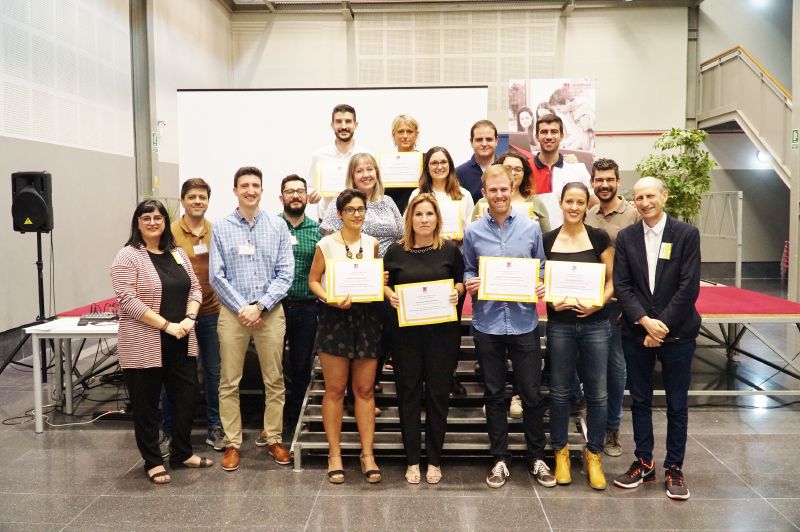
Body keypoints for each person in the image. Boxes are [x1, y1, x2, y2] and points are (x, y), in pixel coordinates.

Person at [462, 165, 555, 490]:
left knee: (530, 394)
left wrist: (542, 283)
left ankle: (536, 457)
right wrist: (469, 282)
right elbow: (469, 268)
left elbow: (540, 267)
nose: (499, 195)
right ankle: (500, 458)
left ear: (512, 188)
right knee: (495, 394)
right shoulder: (473, 232)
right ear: (484, 192)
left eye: (504, 189)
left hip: (523, 323)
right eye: (493, 190)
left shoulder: (530, 229)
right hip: (487, 323)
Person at [111, 199, 213, 485]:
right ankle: (153, 461)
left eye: (158, 217)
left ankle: (182, 452)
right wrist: (167, 325)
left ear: (166, 222)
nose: (153, 222)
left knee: (187, 399)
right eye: (147, 218)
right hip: (145, 341)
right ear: (138, 222)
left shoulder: (177, 252)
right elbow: (127, 300)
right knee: (146, 405)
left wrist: (190, 319)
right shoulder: (127, 256)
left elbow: (194, 287)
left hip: (181, 339)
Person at [612, 176, 701, 501]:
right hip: (637, 331)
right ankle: (644, 461)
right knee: (640, 400)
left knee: (677, 404)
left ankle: (674, 467)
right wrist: (645, 322)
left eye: (650, 195)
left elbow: (688, 286)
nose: (645, 202)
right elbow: (622, 286)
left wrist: (660, 326)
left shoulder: (685, 234)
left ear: (664, 195)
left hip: (677, 332)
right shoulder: (626, 237)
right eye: (638, 197)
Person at [210, 166, 294, 472]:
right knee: (229, 381)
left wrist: (260, 306)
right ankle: (232, 443)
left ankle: (273, 438)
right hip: (232, 315)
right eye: (244, 185)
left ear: (262, 190)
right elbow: (216, 276)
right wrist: (243, 307)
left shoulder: (277, 226)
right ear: (234, 191)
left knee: (274, 380)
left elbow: (286, 273)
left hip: (270, 313)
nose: (250, 190)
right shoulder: (220, 227)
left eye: (255, 185)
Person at [384, 193, 465, 485]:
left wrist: (458, 292)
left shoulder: (450, 250)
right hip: (406, 336)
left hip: (441, 335)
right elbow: (384, 284)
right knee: (408, 395)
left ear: (437, 218)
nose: (424, 219)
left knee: (438, 395)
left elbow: (459, 279)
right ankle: (412, 461)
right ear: (410, 219)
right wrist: (390, 295)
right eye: (419, 214)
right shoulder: (395, 251)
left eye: (429, 214)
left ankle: (434, 459)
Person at [538, 182, 614, 491]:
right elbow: (540, 279)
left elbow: (613, 280)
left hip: (596, 324)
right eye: (569, 201)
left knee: (597, 392)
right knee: (559, 392)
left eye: (579, 202)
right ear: (560, 203)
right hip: (560, 325)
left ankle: (594, 453)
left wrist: (599, 302)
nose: (573, 207)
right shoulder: (547, 240)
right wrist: (548, 300)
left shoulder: (599, 237)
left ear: (587, 205)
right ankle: (561, 453)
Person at [309, 188, 384, 484]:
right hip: (335, 318)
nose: (357, 214)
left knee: (365, 390)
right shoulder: (326, 244)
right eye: (351, 210)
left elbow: (374, 278)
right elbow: (313, 280)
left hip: (366, 319)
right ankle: (335, 454)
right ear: (339, 214)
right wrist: (329, 298)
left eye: (361, 209)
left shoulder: (373, 243)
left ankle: (367, 455)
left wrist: (381, 280)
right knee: (335, 390)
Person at [321, 153, 404, 412]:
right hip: (351, 280)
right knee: (351, 341)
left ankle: (369, 388)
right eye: (360, 171)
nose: (366, 174)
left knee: (381, 336)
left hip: (385, 276)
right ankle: (349, 395)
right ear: (352, 175)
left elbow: (402, 235)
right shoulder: (343, 202)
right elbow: (329, 238)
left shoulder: (388, 202)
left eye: (371, 169)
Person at [585, 158, 641, 457]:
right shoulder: (588, 214)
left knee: (616, 369)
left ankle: (612, 429)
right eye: (599, 180)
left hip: (620, 304)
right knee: (592, 368)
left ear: (618, 180)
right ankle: (592, 420)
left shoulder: (632, 215)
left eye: (609, 179)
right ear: (593, 182)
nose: (604, 185)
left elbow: (638, 263)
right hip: (590, 300)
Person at [166, 178, 224, 451]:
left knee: (214, 372)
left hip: (211, 311)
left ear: (207, 201)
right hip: (179, 315)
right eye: (192, 197)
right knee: (175, 373)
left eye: (202, 197)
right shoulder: (170, 232)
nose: (197, 201)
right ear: (183, 200)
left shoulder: (216, 231)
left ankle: (215, 426)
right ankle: (170, 429)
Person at [278, 174, 322, 442]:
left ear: (307, 197)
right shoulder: (271, 227)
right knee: (272, 369)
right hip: (276, 307)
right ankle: (271, 423)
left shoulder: (317, 230)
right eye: (290, 191)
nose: (295, 195)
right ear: (281, 197)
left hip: (307, 307)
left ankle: (294, 423)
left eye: (300, 191)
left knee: (300, 367)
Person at [530, 113, 594, 229]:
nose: (549, 136)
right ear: (536, 137)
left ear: (562, 136)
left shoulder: (577, 169)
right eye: (544, 132)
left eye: (554, 132)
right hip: (535, 241)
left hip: (570, 241)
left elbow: (595, 204)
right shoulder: (525, 170)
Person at [307, 103, 371, 219]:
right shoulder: (319, 155)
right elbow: (311, 186)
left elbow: (373, 189)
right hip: (327, 220)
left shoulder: (367, 155)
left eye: (348, 121)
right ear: (332, 125)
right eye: (338, 121)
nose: (343, 126)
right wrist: (312, 196)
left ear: (355, 125)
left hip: (358, 219)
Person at [473, 150, 550, 233]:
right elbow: (472, 236)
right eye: (508, 168)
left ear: (525, 173)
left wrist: (535, 227)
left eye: (518, 169)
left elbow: (547, 238)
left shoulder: (536, 203)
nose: (513, 173)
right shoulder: (483, 203)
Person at [409, 146, 474, 238]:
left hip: (457, 249)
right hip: (425, 249)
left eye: (443, 162)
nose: (439, 167)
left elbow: (470, 229)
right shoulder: (416, 194)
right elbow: (407, 226)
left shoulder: (464, 195)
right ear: (427, 168)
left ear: (450, 166)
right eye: (434, 163)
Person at [456, 119, 498, 204]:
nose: (484, 144)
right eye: (479, 140)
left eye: (489, 139)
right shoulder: (458, 173)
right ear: (471, 142)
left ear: (496, 141)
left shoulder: (505, 167)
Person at [384, 114, 421, 213]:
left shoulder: (425, 160)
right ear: (393, 135)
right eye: (400, 132)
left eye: (409, 131)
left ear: (416, 134)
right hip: (392, 216)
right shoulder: (385, 162)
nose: (405, 136)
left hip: (419, 215)